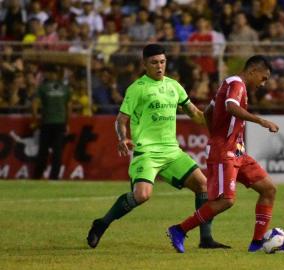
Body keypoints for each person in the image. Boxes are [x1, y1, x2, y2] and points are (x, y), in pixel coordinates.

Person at [86, 44, 229, 249]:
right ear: (144, 64)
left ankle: (206, 238)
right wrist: (122, 138)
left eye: (162, 62)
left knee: (203, 185)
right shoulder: (137, 89)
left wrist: (219, 124)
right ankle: (102, 223)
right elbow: (121, 119)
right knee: (142, 195)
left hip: (171, 151)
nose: (159, 66)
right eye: (154, 62)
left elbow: (196, 115)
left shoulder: (174, 86)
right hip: (147, 152)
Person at [167, 55, 279, 253]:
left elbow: (208, 113)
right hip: (225, 151)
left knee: (268, 189)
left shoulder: (227, 84)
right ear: (253, 71)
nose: (263, 84)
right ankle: (179, 230)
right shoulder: (236, 84)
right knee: (225, 200)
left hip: (237, 151)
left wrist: (216, 134)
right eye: (263, 78)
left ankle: (257, 243)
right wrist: (260, 121)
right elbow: (231, 107)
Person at [32, 65, 72, 180]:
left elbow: (35, 104)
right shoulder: (65, 88)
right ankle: (54, 177)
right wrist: (66, 122)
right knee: (57, 152)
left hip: (46, 122)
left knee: (43, 151)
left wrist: (35, 119)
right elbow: (68, 108)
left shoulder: (42, 88)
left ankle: (37, 176)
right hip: (59, 123)